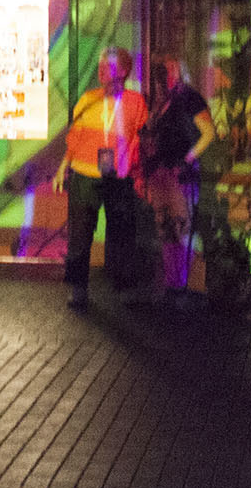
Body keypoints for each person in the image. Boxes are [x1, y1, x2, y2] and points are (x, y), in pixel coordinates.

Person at [58, 49, 146, 309]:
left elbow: (139, 140)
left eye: (107, 66)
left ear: (123, 71)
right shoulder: (88, 99)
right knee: (80, 233)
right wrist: (64, 165)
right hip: (85, 172)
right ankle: (78, 287)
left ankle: (123, 286)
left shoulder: (135, 102)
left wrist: (137, 173)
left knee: (121, 230)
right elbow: (74, 137)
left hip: (118, 174)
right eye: (99, 66)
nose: (101, 71)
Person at [137, 56, 215, 299]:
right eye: (161, 71)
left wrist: (188, 158)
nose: (164, 76)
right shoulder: (163, 102)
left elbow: (208, 132)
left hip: (179, 174)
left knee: (180, 226)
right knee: (166, 227)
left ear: (179, 70)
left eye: (169, 70)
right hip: (161, 173)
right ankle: (173, 282)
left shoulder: (189, 97)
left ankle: (182, 284)